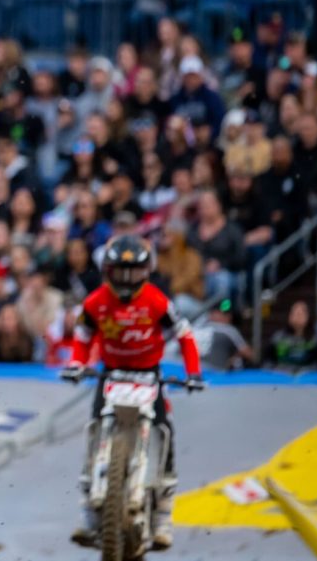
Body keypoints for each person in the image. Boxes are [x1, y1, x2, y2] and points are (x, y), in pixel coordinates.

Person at [64, 235, 203, 550]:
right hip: (111, 375)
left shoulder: (157, 301)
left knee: (165, 434)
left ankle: (163, 518)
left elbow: (183, 333)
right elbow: (83, 333)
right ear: (107, 271)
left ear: (147, 271)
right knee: (93, 431)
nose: (127, 280)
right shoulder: (95, 302)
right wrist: (76, 363)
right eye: (120, 272)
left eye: (134, 272)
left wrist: (193, 372)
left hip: (149, 376)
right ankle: (88, 513)